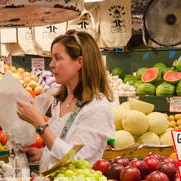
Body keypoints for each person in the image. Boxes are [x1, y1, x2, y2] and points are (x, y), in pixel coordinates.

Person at [15, 30, 116, 172]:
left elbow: (77, 161)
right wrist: (43, 153)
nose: (51, 64)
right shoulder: (61, 101)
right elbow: (64, 144)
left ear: (79, 62)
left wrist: (40, 124)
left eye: (58, 58)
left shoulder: (97, 108)